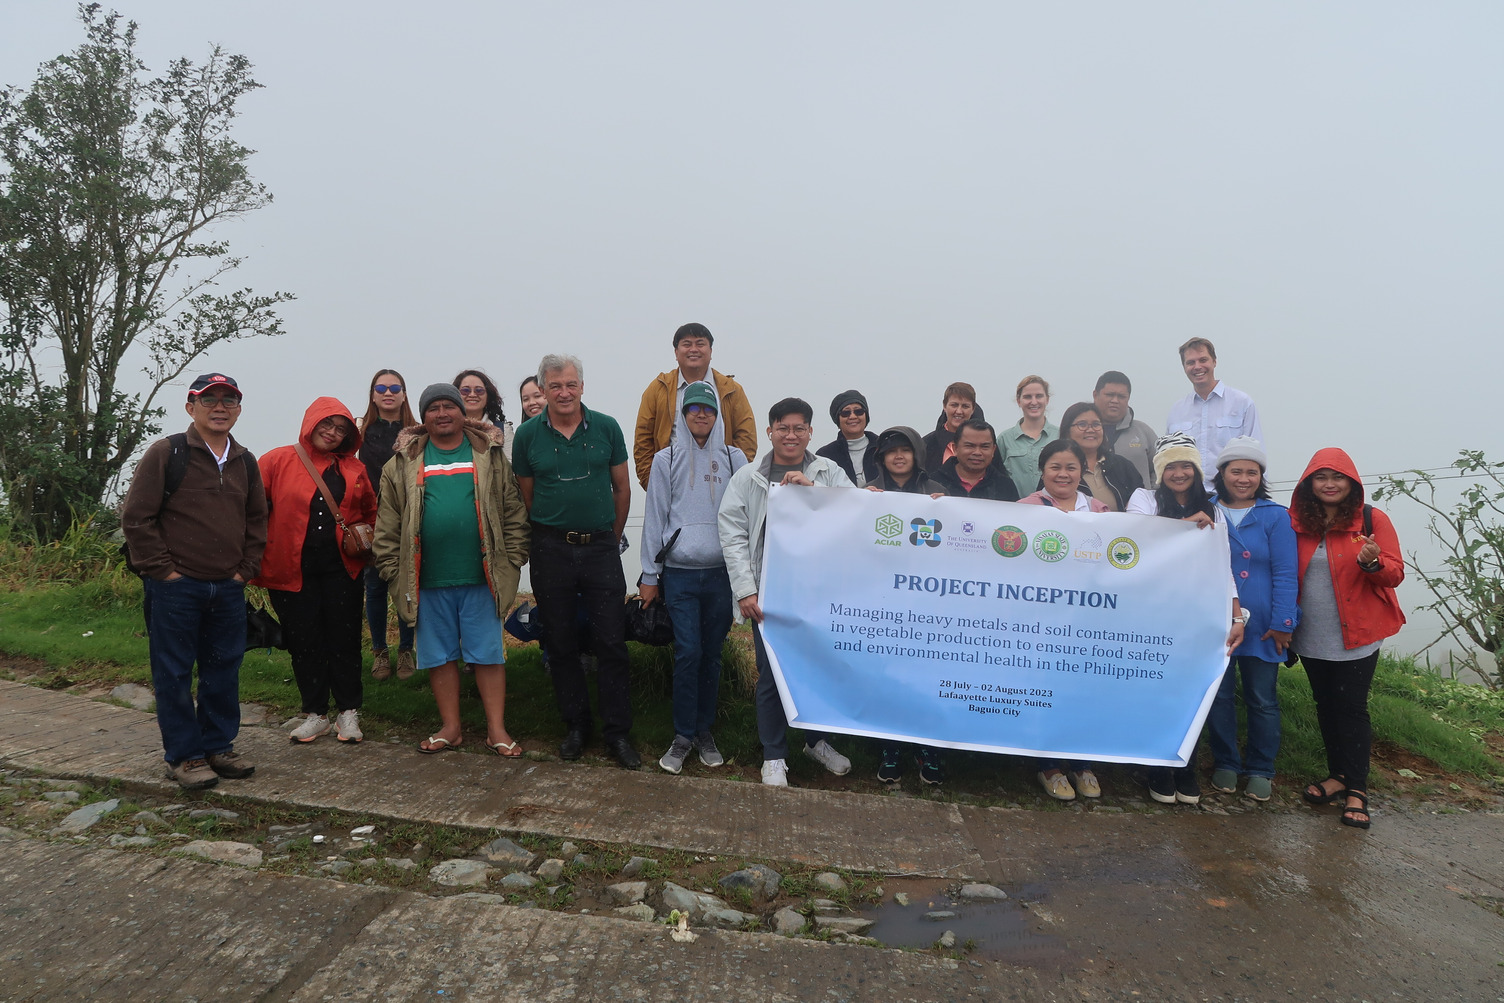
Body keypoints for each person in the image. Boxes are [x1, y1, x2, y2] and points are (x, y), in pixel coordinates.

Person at [121, 373, 267, 790]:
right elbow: (136, 517)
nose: (219, 407)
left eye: (229, 400)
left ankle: (218, 747)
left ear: (238, 409)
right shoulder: (168, 452)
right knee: (174, 672)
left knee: (224, 670)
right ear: (191, 407)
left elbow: (257, 519)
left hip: (227, 586)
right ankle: (185, 757)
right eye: (209, 400)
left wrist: (245, 569)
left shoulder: (245, 460)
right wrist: (163, 571)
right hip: (175, 587)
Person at [373, 383, 530, 757]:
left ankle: (496, 730)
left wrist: (512, 561)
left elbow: (513, 513)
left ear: (463, 412)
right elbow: (387, 527)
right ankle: (451, 727)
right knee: (439, 656)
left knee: (488, 655)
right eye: (434, 408)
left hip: (483, 576)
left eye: (449, 406)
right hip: (426, 580)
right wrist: (395, 574)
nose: (442, 413)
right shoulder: (401, 463)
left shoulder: (489, 456)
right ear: (423, 417)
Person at [718, 397, 856, 787]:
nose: (791, 435)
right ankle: (774, 756)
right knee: (771, 675)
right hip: (768, 594)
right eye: (783, 428)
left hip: (818, 594)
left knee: (814, 671)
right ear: (770, 432)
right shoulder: (748, 478)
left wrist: (813, 491)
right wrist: (746, 590)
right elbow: (732, 535)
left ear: (811, 432)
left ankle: (816, 742)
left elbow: (854, 515)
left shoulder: (828, 471)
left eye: (799, 428)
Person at [512, 354, 640, 767]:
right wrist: (554, 530)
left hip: (601, 548)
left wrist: (611, 537)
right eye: (554, 386)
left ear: (582, 386)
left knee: (612, 643)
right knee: (561, 642)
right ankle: (576, 726)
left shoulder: (606, 427)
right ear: (543, 389)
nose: (563, 393)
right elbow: (526, 494)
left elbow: (623, 489)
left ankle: (617, 733)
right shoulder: (528, 435)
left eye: (570, 384)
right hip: (551, 550)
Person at [1126, 432, 1246, 805]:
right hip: (1151, 610)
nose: (1179, 473)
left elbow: (1221, 566)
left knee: (1188, 691)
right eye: (1171, 466)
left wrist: (1237, 615)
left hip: (1194, 612)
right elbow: (1136, 541)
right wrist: (1181, 524)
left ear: (1196, 470)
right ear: (1160, 471)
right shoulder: (1143, 498)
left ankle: (1186, 766)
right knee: (1155, 689)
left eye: (1186, 466)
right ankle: (1158, 767)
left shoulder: (1213, 510)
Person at [1289, 448, 1405, 831]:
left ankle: (1357, 789)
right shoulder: (1296, 521)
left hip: (1358, 632)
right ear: (1309, 484)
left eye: (1337, 478)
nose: (1329, 484)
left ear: (1351, 483)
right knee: (1324, 704)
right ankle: (1337, 775)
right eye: (1321, 478)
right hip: (1312, 633)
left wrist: (1372, 562)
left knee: (1351, 708)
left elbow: (1394, 574)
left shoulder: (1371, 519)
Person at [639, 382, 748, 774]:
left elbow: (748, 515)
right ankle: (683, 735)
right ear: (682, 415)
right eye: (693, 409)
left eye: (708, 409)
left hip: (721, 575)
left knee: (712, 655)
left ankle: (705, 731)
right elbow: (654, 519)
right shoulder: (666, 459)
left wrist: (746, 575)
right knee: (688, 652)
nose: (701, 415)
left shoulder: (735, 458)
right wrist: (649, 575)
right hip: (681, 575)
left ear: (718, 415)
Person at [255, 399, 378, 744]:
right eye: (327, 424)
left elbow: (371, 511)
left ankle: (349, 713)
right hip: (290, 570)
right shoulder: (276, 460)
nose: (332, 432)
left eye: (341, 429)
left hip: (343, 570)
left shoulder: (354, 469)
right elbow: (252, 509)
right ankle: (316, 713)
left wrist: (365, 536)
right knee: (304, 641)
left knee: (345, 640)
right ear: (311, 422)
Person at [1208, 437, 1299, 802]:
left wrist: (1284, 622)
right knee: (1220, 696)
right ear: (1222, 474)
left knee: (1262, 699)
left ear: (1260, 476)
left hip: (1264, 624)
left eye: (1251, 472)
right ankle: (1226, 763)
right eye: (1236, 471)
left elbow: (1286, 571)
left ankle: (1262, 769)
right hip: (1216, 619)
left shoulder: (1275, 516)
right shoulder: (1208, 511)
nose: (1243, 478)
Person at [1018, 438, 1107, 800]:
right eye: (1055, 466)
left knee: (1081, 691)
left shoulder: (1102, 510)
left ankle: (1083, 764)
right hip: (1041, 618)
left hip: (1087, 619)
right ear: (1042, 470)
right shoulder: (1024, 508)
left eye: (1071, 467)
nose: (1063, 473)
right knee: (1045, 690)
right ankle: (1050, 767)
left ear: (1082, 471)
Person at [633, 322, 757, 488]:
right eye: (686, 344)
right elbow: (643, 440)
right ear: (676, 352)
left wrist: (734, 484)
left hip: (720, 480)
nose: (693, 349)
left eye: (700, 344)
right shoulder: (658, 389)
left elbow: (746, 439)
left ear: (711, 351)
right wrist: (655, 483)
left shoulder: (731, 390)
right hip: (672, 480)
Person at [358, 369, 416, 681]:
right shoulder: (360, 431)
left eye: (395, 387)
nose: (388, 392)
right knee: (376, 585)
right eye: (381, 388)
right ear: (373, 394)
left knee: (407, 583)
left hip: (409, 515)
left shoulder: (417, 432)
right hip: (372, 516)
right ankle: (380, 652)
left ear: (404, 394)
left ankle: (407, 649)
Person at [1166, 339, 1263, 482]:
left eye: (1203, 360)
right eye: (1191, 362)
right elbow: (1169, 458)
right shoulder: (1176, 411)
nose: (1197, 367)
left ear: (1214, 362)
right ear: (1184, 367)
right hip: (1189, 497)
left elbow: (1256, 454)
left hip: (1228, 498)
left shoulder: (1242, 403)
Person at [1055, 401, 1143, 511]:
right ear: (1067, 431)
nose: (1090, 430)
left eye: (1096, 424)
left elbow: (1143, 505)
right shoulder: (1056, 468)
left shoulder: (1122, 466)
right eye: (1082, 424)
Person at [1092, 371, 1157, 487]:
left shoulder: (1143, 432)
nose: (1115, 401)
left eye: (1121, 396)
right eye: (1109, 395)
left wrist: (1151, 495)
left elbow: (1161, 467)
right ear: (1095, 395)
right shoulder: (1082, 432)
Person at [920, 382, 1003, 473]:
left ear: (973, 408)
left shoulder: (987, 444)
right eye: (954, 405)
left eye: (965, 406)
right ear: (944, 406)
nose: (959, 411)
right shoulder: (927, 444)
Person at [999, 375, 1059, 498]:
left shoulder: (1060, 436)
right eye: (1027, 397)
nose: (1034, 401)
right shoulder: (1005, 439)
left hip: (1052, 511)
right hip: (1015, 510)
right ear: (1018, 401)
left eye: (1039, 396)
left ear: (1047, 399)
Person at [931, 420, 1020, 502]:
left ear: (993, 450)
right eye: (970, 446)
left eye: (984, 447)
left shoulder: (1005, 486)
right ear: (955, 448)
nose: (977, 452)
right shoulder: (934, 483)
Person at [814, 390, 880, 487]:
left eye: (859, 411)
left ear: (866, 416)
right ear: (837, 420)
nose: (852, 416)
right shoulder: (825, 455)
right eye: (845, 413)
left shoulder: (883, 448)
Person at [454, 369, 514, 456]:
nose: (472, 395)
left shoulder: (504, 430)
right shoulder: (448, 428)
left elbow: (509, 466)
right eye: (465, 391)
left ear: (488, 396)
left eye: (479, 390)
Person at [869, 426, 934, 494]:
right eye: (891, 451)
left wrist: (942, 501)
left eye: (906, 450)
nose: (899, 456)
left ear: (916, 455)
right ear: (882, 458)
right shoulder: (868, 492)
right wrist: (862, 498)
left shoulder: (935, 490)